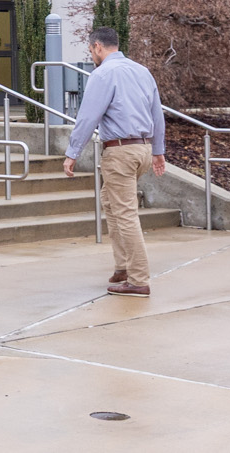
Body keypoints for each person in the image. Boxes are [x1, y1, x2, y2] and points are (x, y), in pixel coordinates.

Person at [63, 26, 166, 297]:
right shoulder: (142, 71)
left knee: (125, 213)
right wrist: (158, 150)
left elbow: (88, 116)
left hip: (120, 152)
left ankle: (138, 278)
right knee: (109, 201)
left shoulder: (103, 74)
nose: (92, 55)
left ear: (97, 46)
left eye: (91, 50)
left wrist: (73, 152)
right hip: (142, 149)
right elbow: (157, 113)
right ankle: (122, 267)